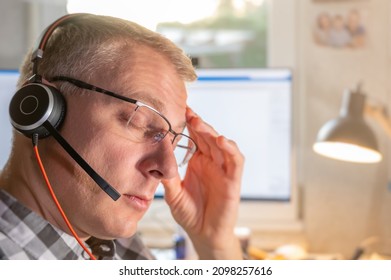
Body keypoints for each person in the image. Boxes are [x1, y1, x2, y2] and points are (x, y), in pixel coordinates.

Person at [0, 13, 244, 260]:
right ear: (38, 111)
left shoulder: (115, 245)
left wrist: (216, 243)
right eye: (138, 122)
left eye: (176, 140)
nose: (169, 170)